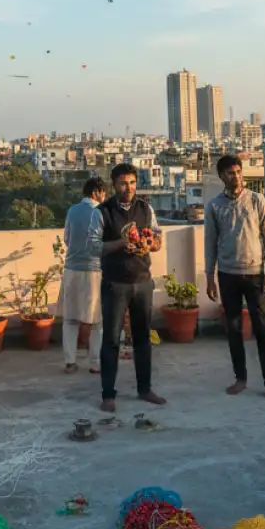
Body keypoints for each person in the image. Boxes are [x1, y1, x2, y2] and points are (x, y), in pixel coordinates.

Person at [203, 156, 265, 401]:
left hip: (256, 274)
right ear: (222, 177)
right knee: (234, 329)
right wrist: (209, 276)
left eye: (238, 171)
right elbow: (210, 243)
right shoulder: (214, 206)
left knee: (261, 329)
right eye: (229, 173)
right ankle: (241, 377)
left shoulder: (257, 201)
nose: (235, 176)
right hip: (228, 275)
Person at [98, 163, 167, 411]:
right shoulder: (103, 212)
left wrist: (149, 244)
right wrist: (120, 243)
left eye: (132, 183)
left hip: (142, 282)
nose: (128, 188)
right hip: (115, 283)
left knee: (142, 339)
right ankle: (108, 394)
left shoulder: (145, 208)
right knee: (111, 340)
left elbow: (158, 238)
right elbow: (95, 247)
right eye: (123, 183)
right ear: (114, 185)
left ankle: (145, 389)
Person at [60, 177, 107, 374]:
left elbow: (67, 239)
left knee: (70, 319)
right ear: (97, 192)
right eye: (104, 193)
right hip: (94, 270)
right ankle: (95, 363)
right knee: (97, 321)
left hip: (71, 269)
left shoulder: (72, 210)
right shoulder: (102, 212)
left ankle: (70, 362)